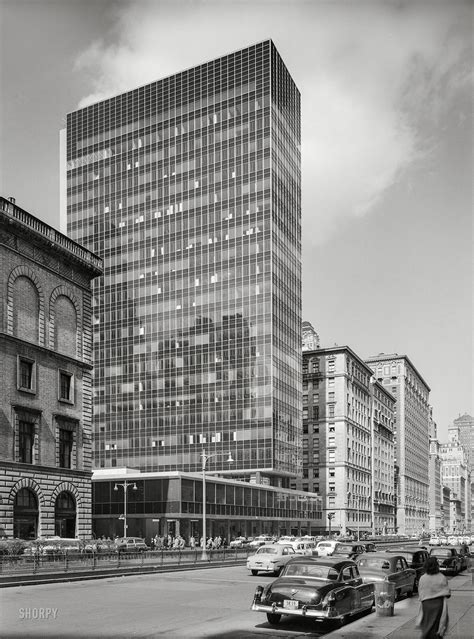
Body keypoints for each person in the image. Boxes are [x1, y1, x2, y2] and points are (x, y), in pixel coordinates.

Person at [417, 556, 451, 638]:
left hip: (426, 605)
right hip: (439, 605)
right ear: (436, 566)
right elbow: (447, 593)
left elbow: (420, 593)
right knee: (438, 626)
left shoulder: (423, 578)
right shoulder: (442, 577)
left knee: (427, 625)